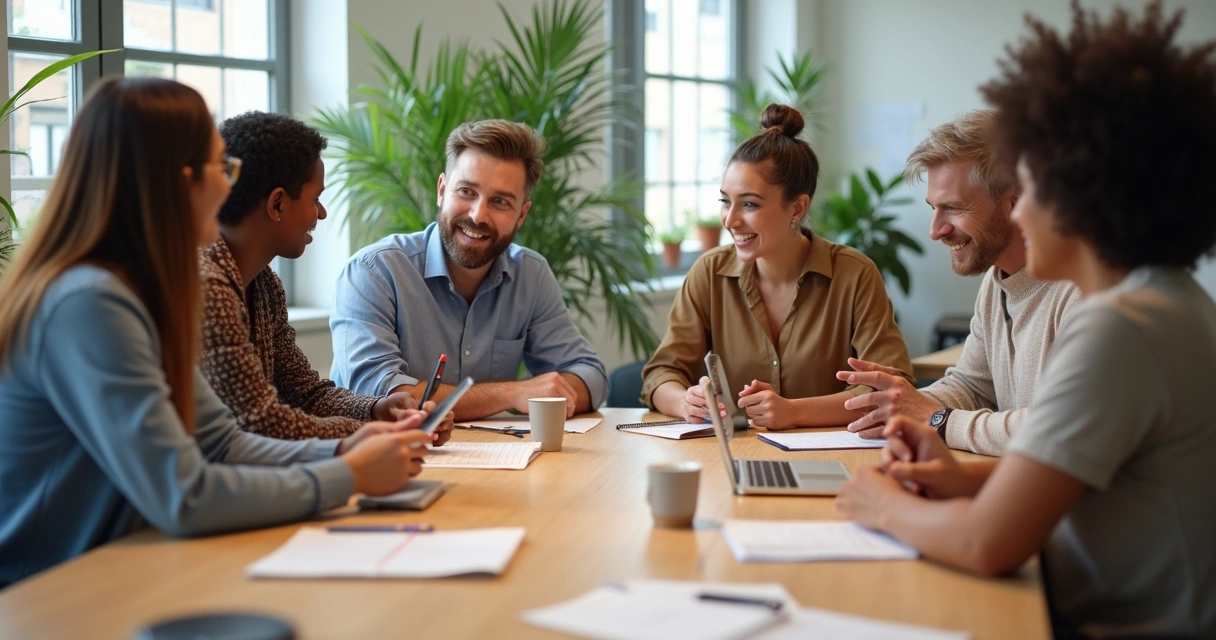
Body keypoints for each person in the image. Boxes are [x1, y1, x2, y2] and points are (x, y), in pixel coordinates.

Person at [835, 3, 1216, 636]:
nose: (1022, 212)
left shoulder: (1121, 327)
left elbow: (988, 545)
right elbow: (1086, 499)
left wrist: (881, 504)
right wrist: (959, 479)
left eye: (1031, 189)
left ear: (1079, 195)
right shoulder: (1163, 300)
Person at [0, 78, 430, 588]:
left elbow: (223, 442)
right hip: (54, 592)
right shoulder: (91, 303)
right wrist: (351, 473)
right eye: (220, 169)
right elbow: (185, 495)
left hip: (122, 565)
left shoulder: (145, 290)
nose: (229, 189)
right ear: (176, 182)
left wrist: (344, 450)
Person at [642, 104, 915, 429]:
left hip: (833, 463)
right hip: (733, 460)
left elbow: (889, 387)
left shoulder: (854, 275)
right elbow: (660, 374)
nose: (730, 220)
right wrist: (685, 402)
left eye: (749, 204)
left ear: (797, 207)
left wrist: (794, 412)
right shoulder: (709, 273)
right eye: (725, 201)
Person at [199, 111, 451, 444]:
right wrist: (378, 432)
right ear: (277, 204)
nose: (322, 213)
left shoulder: (265, 285)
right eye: (316, 198)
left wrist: (379, 409)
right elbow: (259, 422)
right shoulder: (209, 287)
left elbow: (305, 394)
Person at [329, 119, 608, 421]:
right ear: (442, 190)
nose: (478, 215)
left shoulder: (531, 274)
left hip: (495, 462)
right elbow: (378, 394)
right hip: (383, 461)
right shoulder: (373, 272)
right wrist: (513, 393)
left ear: (521, 215)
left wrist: (555, 390)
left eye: (500, 201)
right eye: (466, 192)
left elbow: (591, 377)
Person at [837, 111, 1079, 454]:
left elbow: (1061, 428)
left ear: (1015, 202)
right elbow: (973, 386)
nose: (935, 231)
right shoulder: (998, 283)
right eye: (934, 208)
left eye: (952, 208)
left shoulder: (1083, 291)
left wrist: (937, 419)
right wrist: (900, 404)